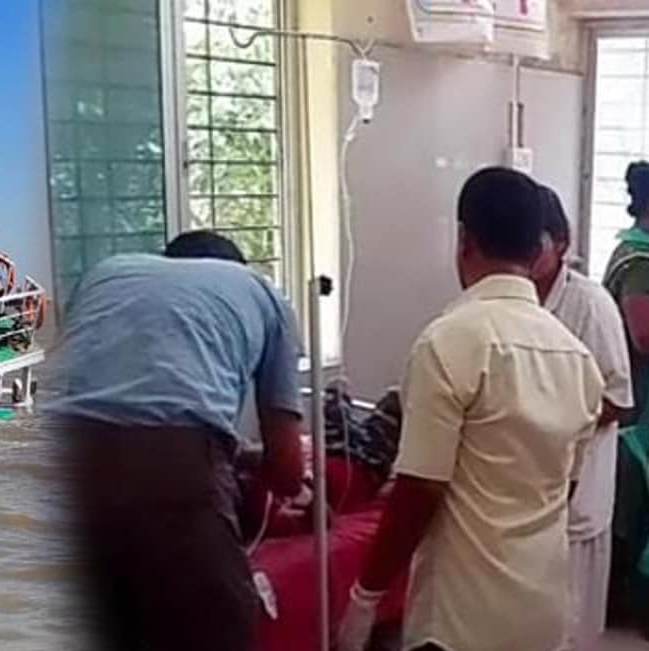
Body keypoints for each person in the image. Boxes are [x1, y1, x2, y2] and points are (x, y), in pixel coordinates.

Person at [336, 167, 604, 651]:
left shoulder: (450, 342)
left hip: (462, 620)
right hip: (542, 611)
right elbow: (562, 488)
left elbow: (420, 489)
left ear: (464, 240)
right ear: (537, 248)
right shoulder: (577, 358)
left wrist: (366, 593)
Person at [50, 230, 305, 651]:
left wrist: (234, 456)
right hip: (174, 479)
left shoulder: (106, 275)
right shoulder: (262, 293)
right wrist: (253, 463)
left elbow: (111, 402)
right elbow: (289, 474)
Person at [532, 186, 633, 650]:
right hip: (531, 493)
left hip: (580, 490)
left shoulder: (589, 305)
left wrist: (548, 417)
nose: (528, 257)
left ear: (561, 244)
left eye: (538, 245)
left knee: (570, 627)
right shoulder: (513, 300)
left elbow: (619, 399)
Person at [602, 161, 649, 635]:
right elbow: (644, 335)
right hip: (637, 411)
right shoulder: (638, 261)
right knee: (634, 508)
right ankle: (630, 606)